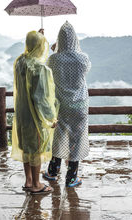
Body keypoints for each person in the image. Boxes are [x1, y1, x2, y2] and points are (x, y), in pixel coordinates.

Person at [43, 21, 91, 187]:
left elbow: (48, 69)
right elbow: (86, 69)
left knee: (59, 137)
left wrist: (55, 50)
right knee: (77, 139)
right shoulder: (83, 59)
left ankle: (52, 171)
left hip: (61, 106)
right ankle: (71, 178)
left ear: (59, 39)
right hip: (80, 106)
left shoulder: (54, 59)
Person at [11, 30, 59, 194]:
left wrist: (37, 37)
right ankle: (37, 184)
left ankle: (28, 181)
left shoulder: (20, 62)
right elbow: (41, 98)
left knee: (27, 148)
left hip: (22, 114)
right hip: (34, 117)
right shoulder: (40, 69)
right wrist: (50, 118)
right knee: (37, 150)